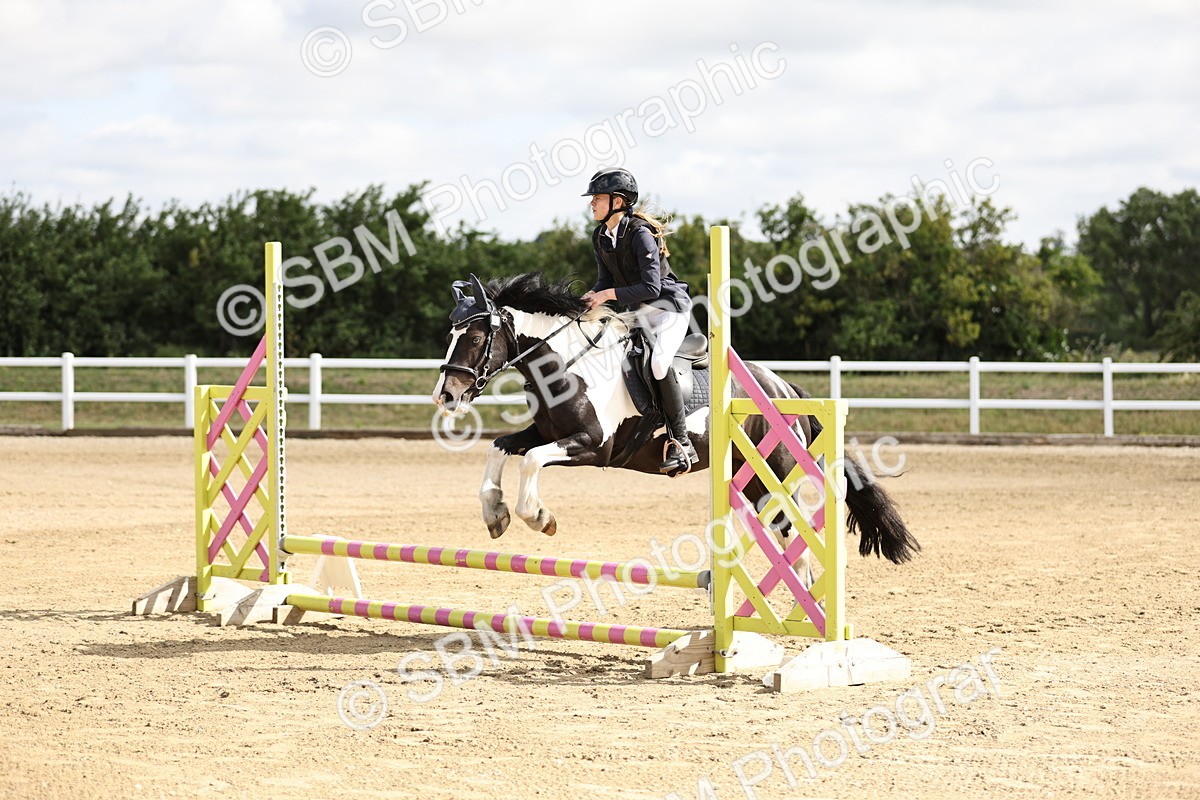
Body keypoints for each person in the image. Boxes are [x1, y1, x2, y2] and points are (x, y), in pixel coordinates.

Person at [580, 168, 698, 476]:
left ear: (617, 202)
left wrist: (606, 295)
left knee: (658, 364)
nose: (592, 203)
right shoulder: (601, 236)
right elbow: (604, 281)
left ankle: (682, 441)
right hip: (638, 313)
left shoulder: (640, 234)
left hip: (669, 308)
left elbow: (651, 288)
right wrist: (589, 296)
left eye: (597, 198)